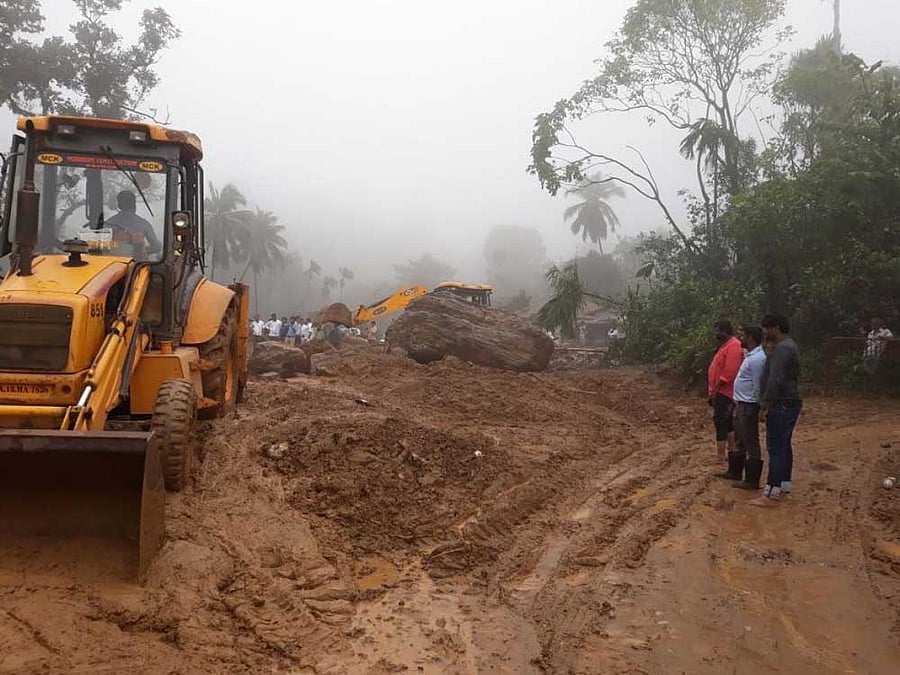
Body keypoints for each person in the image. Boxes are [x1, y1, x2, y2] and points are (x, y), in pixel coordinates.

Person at [751, 313, 802, 507]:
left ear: (776, 328)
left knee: (775, 447)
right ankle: (783, 484)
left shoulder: (782, 349)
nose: (764, 332)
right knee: (784, 443)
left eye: (766, 328)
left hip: (781, 402)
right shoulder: (790, 346)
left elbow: (775, 379)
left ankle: (771, 493)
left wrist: (765, 405)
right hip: (790, 401)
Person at [727, 325, 767, 489]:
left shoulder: (757, 359)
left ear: (751, 338)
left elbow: (759, 385)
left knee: (750, 440)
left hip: (749, 405)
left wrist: (762, 407)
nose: (740, 338)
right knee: (740, 439)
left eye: (743, 335)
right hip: (741, 403)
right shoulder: (751, 355)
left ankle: (751, 480)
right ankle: (735, 472)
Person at [707, 320, 744, 464]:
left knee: (721, 421)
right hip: (720, 391)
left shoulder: (734, 345)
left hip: (725, 391)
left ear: (725, 331)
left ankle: (721, 456)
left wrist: (717, 387)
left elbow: (730, 370)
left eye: (717, 331)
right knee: (726, 422)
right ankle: (730, 451)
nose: (715, 334)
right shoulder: (725, 346)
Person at [105, 190, 162, 257]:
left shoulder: (109, 222)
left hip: (113, 264)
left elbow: (100, 245)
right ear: (134, 205)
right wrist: (141, 250)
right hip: (137, 265)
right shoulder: (143, 223)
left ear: (119, 205)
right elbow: (157, 246)